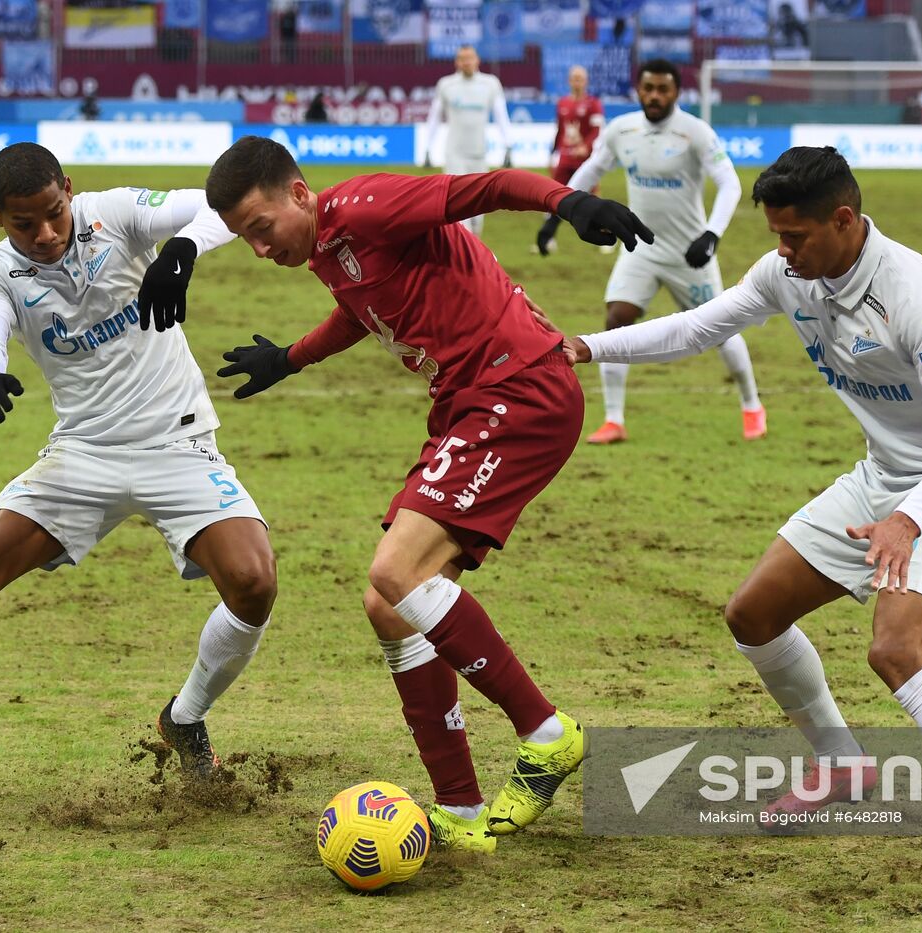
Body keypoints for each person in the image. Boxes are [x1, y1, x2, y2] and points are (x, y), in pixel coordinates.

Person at [566, 146, 922, 900]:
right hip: (882, 478)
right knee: (752, 613)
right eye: (775, 236)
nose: (781, 252)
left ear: (845, 220)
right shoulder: (786, 272)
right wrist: (582, 347)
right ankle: (842, 764)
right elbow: (696, 327)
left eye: (795, 237)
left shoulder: (916, 291)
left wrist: (909, 521)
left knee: (896, 649)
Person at [198, 135, 653, 851]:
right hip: (467, 404)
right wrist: (290, 358)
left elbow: (488, 185)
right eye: (241, 238)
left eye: (260, 228)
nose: (258, 248)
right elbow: (361, 310)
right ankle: (462, 809)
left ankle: (547, 733)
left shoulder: (370, 206)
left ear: (298, 194)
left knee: (394, 572)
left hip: (517, 388)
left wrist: (570, 202)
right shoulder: (324, 249)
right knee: (388, 603)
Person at [0, 143, 277, 825]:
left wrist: (181, 251)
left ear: (68, 190)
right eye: (23, 224)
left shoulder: (117, 214)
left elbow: (220, 207)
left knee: (254, 582)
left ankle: (184, 717)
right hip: (84, 452)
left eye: (53, 213)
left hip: (177, 442)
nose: (44, 234)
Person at [539, 58, 766, 445]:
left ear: (676, 92)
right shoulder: (621, 129)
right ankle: (614, 419)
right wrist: (556, 213)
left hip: (691, 254)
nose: (655, 96)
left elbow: (729, 183)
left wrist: (712, 234)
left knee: (722, 331)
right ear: (639, 91)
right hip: (640, 248)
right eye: (649, 88)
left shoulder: (695, 132)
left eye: (663, 89)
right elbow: (592, 170)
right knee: (616, 319)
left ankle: (751, 405)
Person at [422, 45, 514, 237]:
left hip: (479, 154)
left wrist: (508, 145)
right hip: (454, 154)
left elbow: (501, 116)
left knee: (479, 210)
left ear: (477, 60)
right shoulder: (446, 85)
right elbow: (434, 118)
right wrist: (428, 148)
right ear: (457, 62)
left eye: (469, 58)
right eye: (462, 59)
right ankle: (465, 256)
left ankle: (473, 252)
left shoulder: (490, 84)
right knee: (458, 205)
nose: (466, 62)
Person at [535, 65, 607, 256]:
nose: (577, 82)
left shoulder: (594, 104)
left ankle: (606, 237)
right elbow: (559, 130)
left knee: (593, 200)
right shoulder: (562, 103)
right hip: (565, 158)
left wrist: (587, 146)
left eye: (580, 78)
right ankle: (548, 238)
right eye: (574, 78)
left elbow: (597, 131)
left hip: (585, 161)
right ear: (569, 81)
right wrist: (553, 153)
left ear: (586, 81)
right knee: (551, 197)